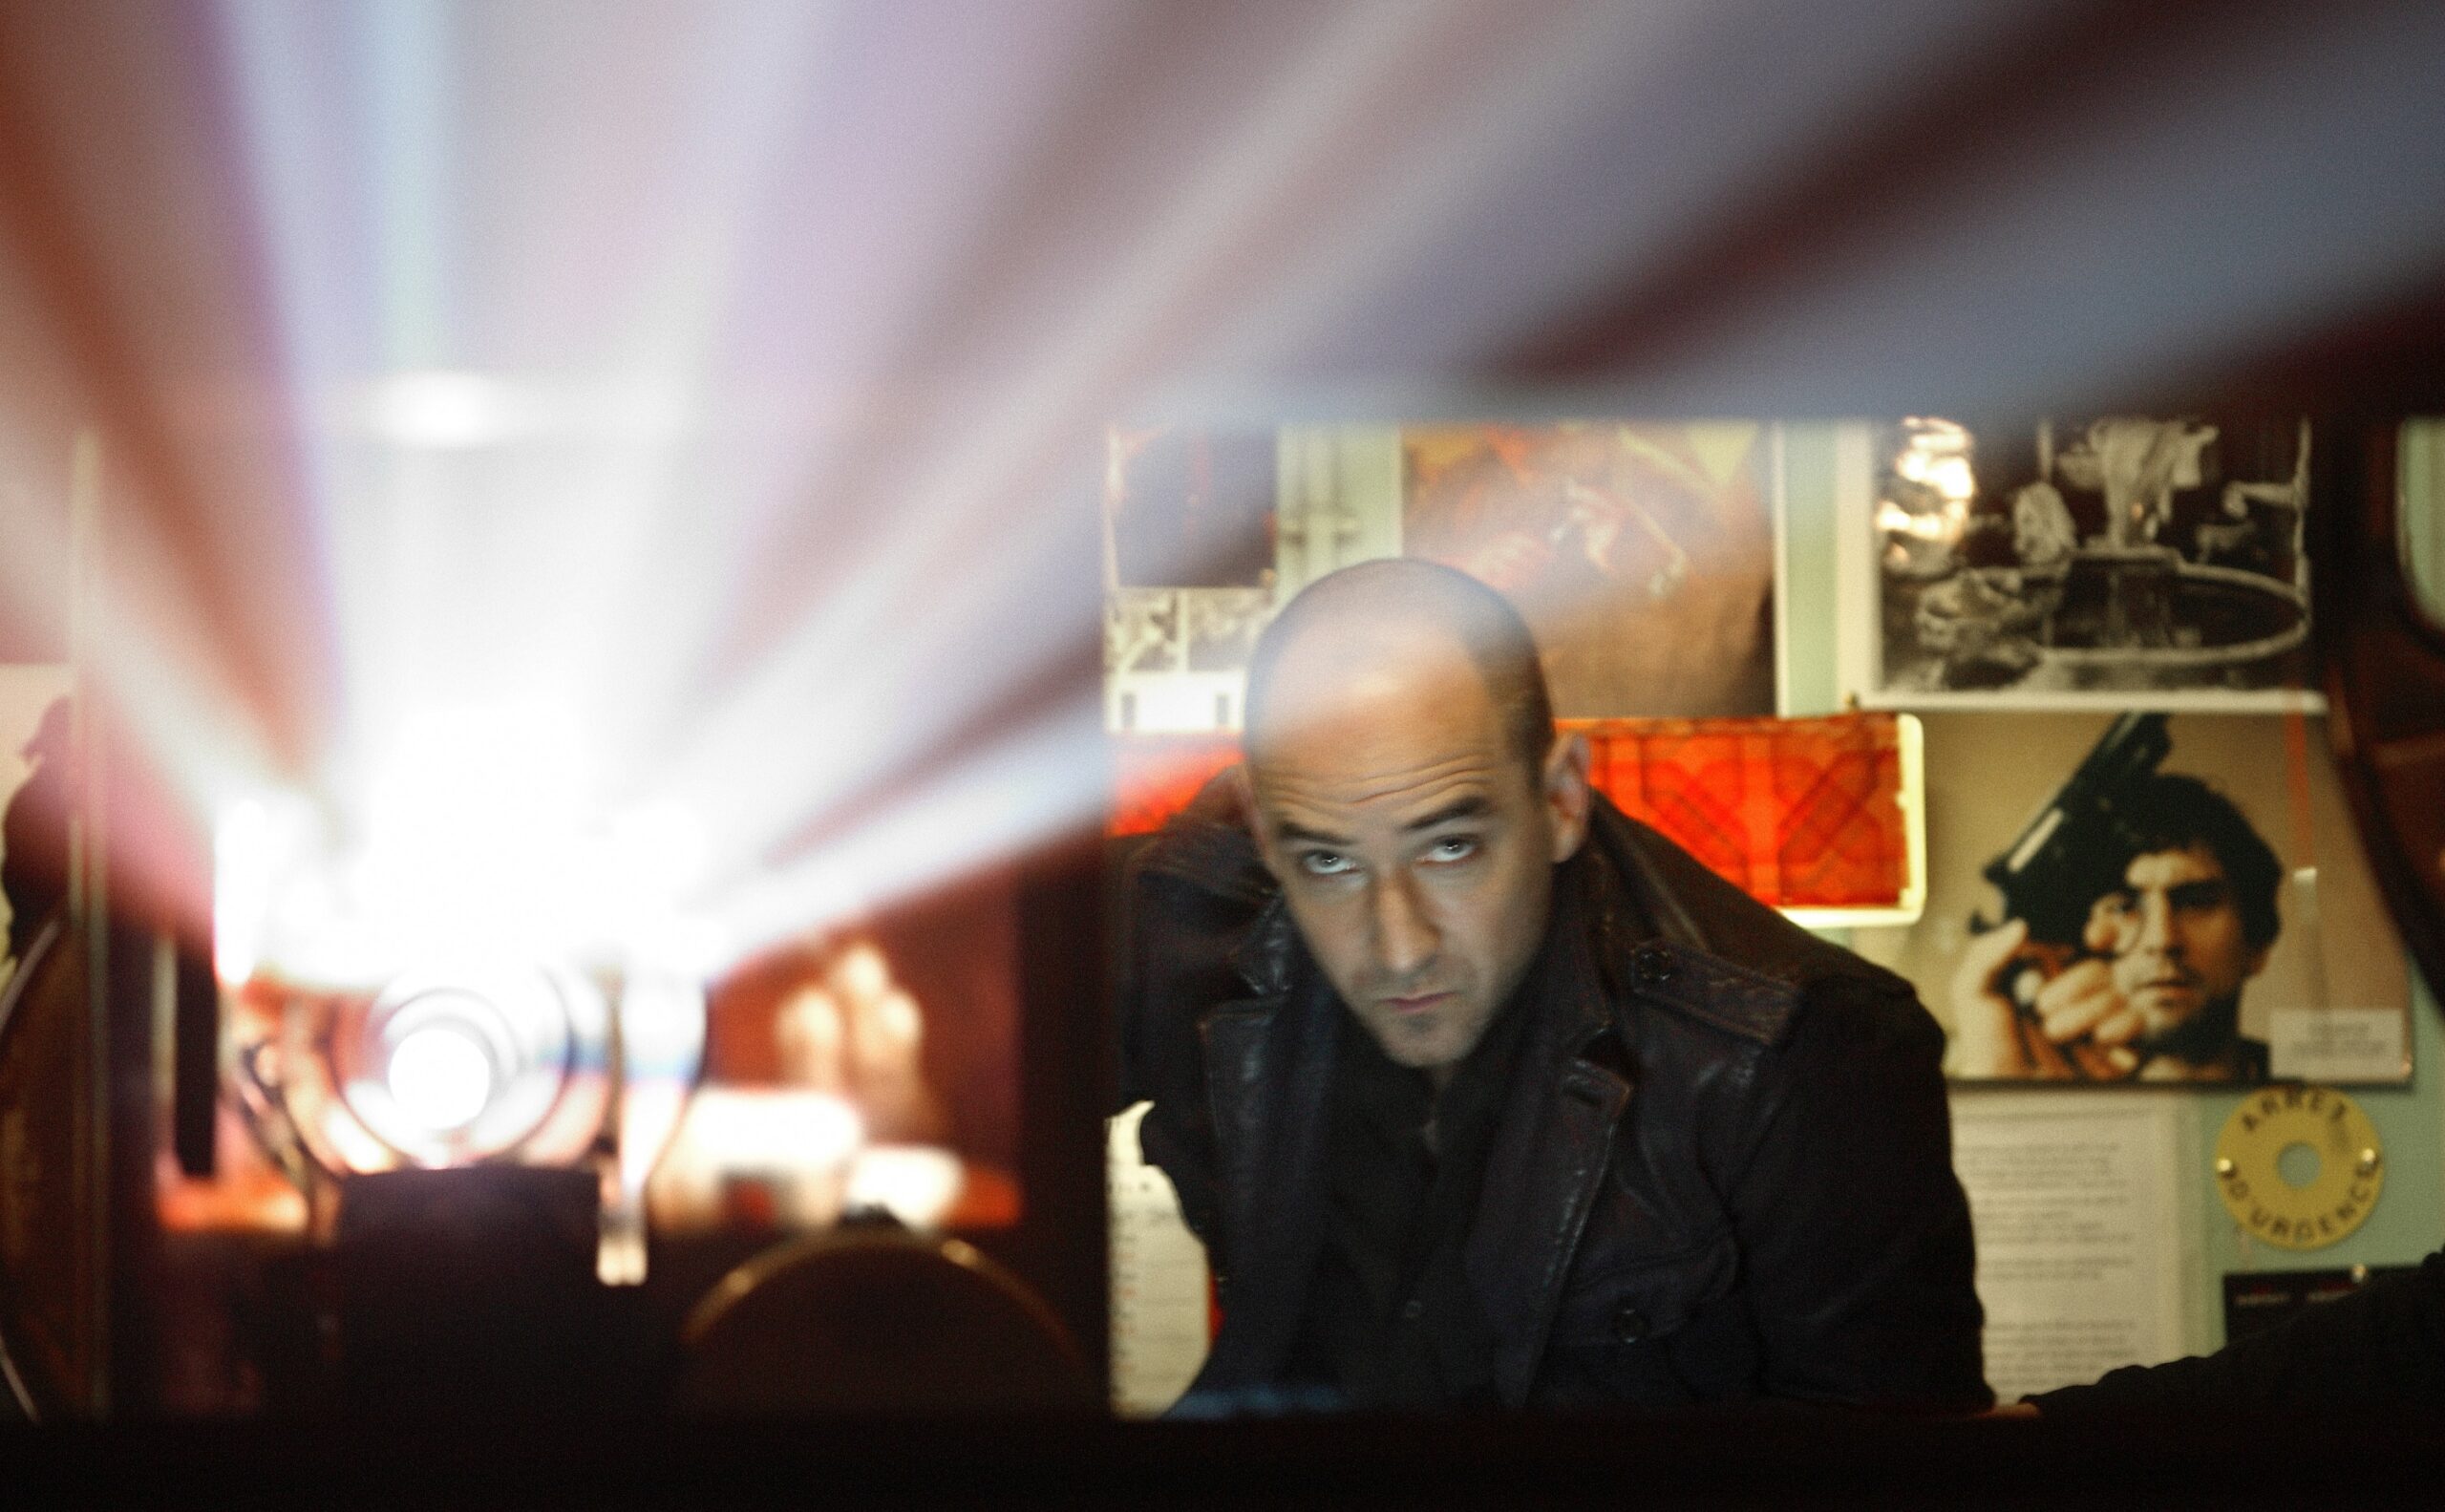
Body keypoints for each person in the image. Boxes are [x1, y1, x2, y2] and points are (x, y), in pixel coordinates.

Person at [1117, 559, 1988, 1413]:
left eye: (1450, 846)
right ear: (1265, 834)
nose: (1400, 948)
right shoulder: (1194, 926)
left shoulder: (1799, 1054)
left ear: (1563, 798)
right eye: (1329, 861)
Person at [1951, 775, 2281, 1081]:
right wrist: (2001, 1082)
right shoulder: (2030, 1075)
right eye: (2123, 907)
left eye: (2195, 903)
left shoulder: (2306, 1091)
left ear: (2258, 945)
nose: (2162, 939)